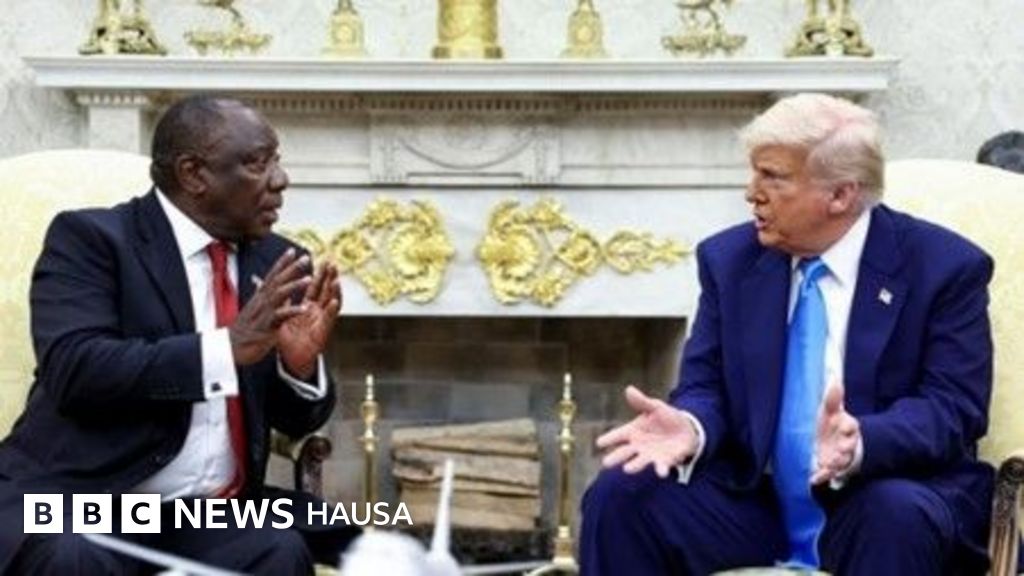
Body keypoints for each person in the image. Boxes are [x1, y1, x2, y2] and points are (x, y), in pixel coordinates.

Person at [580, 93, 994, 575]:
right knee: (623, 493)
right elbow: (705, 385)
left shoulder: (943, 267)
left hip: (886, 492)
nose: (751, 193)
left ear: (841, 195)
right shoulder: (730, 261)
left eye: (773, 177)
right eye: (754, 173)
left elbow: (953, 408)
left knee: (892, 514)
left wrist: (862, 441)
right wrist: (693, 426)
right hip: (759, 506)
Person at [0, 95, 352, 574]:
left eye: (277, 161)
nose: (280, 179)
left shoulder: (278, 262)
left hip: (206, 513)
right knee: (70, 557)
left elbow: (296, 421)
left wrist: (298, 367)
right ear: (193, 174)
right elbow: (77, 369)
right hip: (86, 499)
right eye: (257, 163)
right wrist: (225, 350)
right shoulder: (92, 240)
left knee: (296, 547)